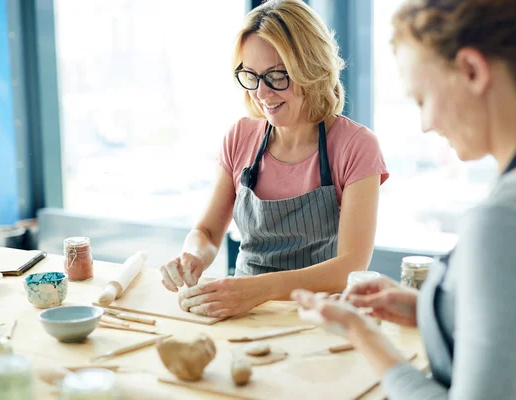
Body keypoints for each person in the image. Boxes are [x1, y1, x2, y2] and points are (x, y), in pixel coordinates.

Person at [292, 0, 516, 398]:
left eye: (422, 99)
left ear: (471, 71)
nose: (426, 125)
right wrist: (430, 311)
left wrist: (363, 335)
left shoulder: (506, 223)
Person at [159, 0, 388, 318]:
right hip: (241, 309)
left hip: (320, 317)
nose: (262, 94)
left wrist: (259, 289)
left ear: (311, 69)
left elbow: (350, 266)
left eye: (277, 77)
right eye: (250, 76)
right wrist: (192, 257)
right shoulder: (240, 136)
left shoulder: (356, 145)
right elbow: (208, 233)